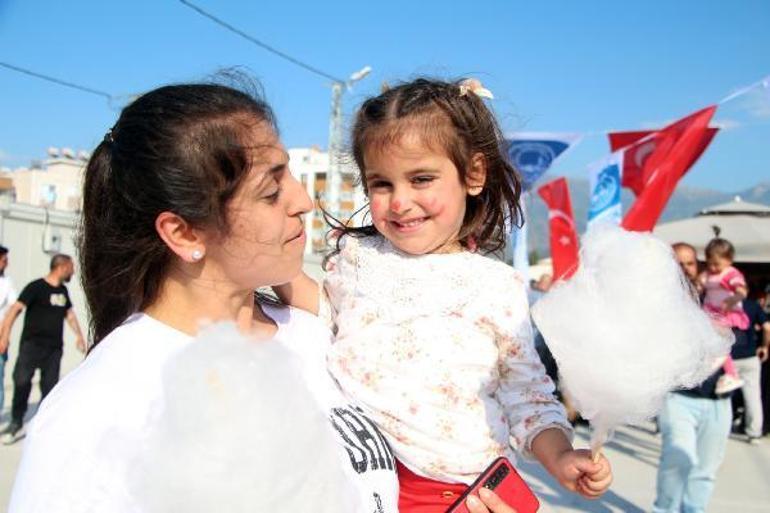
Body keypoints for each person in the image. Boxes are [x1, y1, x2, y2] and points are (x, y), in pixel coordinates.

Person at [9, 81, 518, 513]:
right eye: (271, 193)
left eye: (291, 176)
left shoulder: (321, 334)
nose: (302, 202)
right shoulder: (102, 407)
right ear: (185, 234)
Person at [275, 78, 612, 512]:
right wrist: (266, 268)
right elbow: (322, 314)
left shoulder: (495, 287)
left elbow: (525, 397)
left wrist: (562, 457)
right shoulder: (357, 258)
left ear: (473, 174)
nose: (399, 202)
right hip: (357, 473)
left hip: (459, 493)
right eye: (381, 184)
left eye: (421, 179)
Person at [652, 242, 732, 513]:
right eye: (678, 263)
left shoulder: (717, 295)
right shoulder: (658, 303)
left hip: (719, 399)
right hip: (679, 397)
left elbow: (741, 339)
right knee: (679, 459)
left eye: (690, 263)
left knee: (706, 469)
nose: (685, 269)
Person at [0, 254, 85, 445]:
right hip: (31, 346)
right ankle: (16, 422)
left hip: (53, 349)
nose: (73, 271)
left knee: (49, 388)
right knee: (21, 382)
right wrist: (4, 335)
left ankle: (42, 426)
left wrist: (79, 335)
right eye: (71, 267)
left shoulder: (63, 291)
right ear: (61, 267)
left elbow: (69, 315)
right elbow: (15, 310)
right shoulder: (35, 287)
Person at [699, 237, 749, 395]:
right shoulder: (707, 274)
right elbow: (699, 285)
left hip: (726, 312)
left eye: (716, 264)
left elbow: (742, 291)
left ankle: (731, 374)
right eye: (709, 263)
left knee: (720, 344)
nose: (712, 267)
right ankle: (725, 369)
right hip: (711, 312)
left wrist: (733, 299)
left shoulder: (731, 274)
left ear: (729, 260)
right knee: (712, 340)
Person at [734, 291, 769, 443]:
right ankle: (754, 432)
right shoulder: (753, 305)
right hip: (749, 356)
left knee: (721, 395)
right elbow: (767, 328)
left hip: (728, 357)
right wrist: (764, 347)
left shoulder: (720, 303)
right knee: (753, 396)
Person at [0, 245, 17, 422]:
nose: (7, 263)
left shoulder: (7, 283)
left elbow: (13, 309)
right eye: (4, 260)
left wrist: (5, 335)